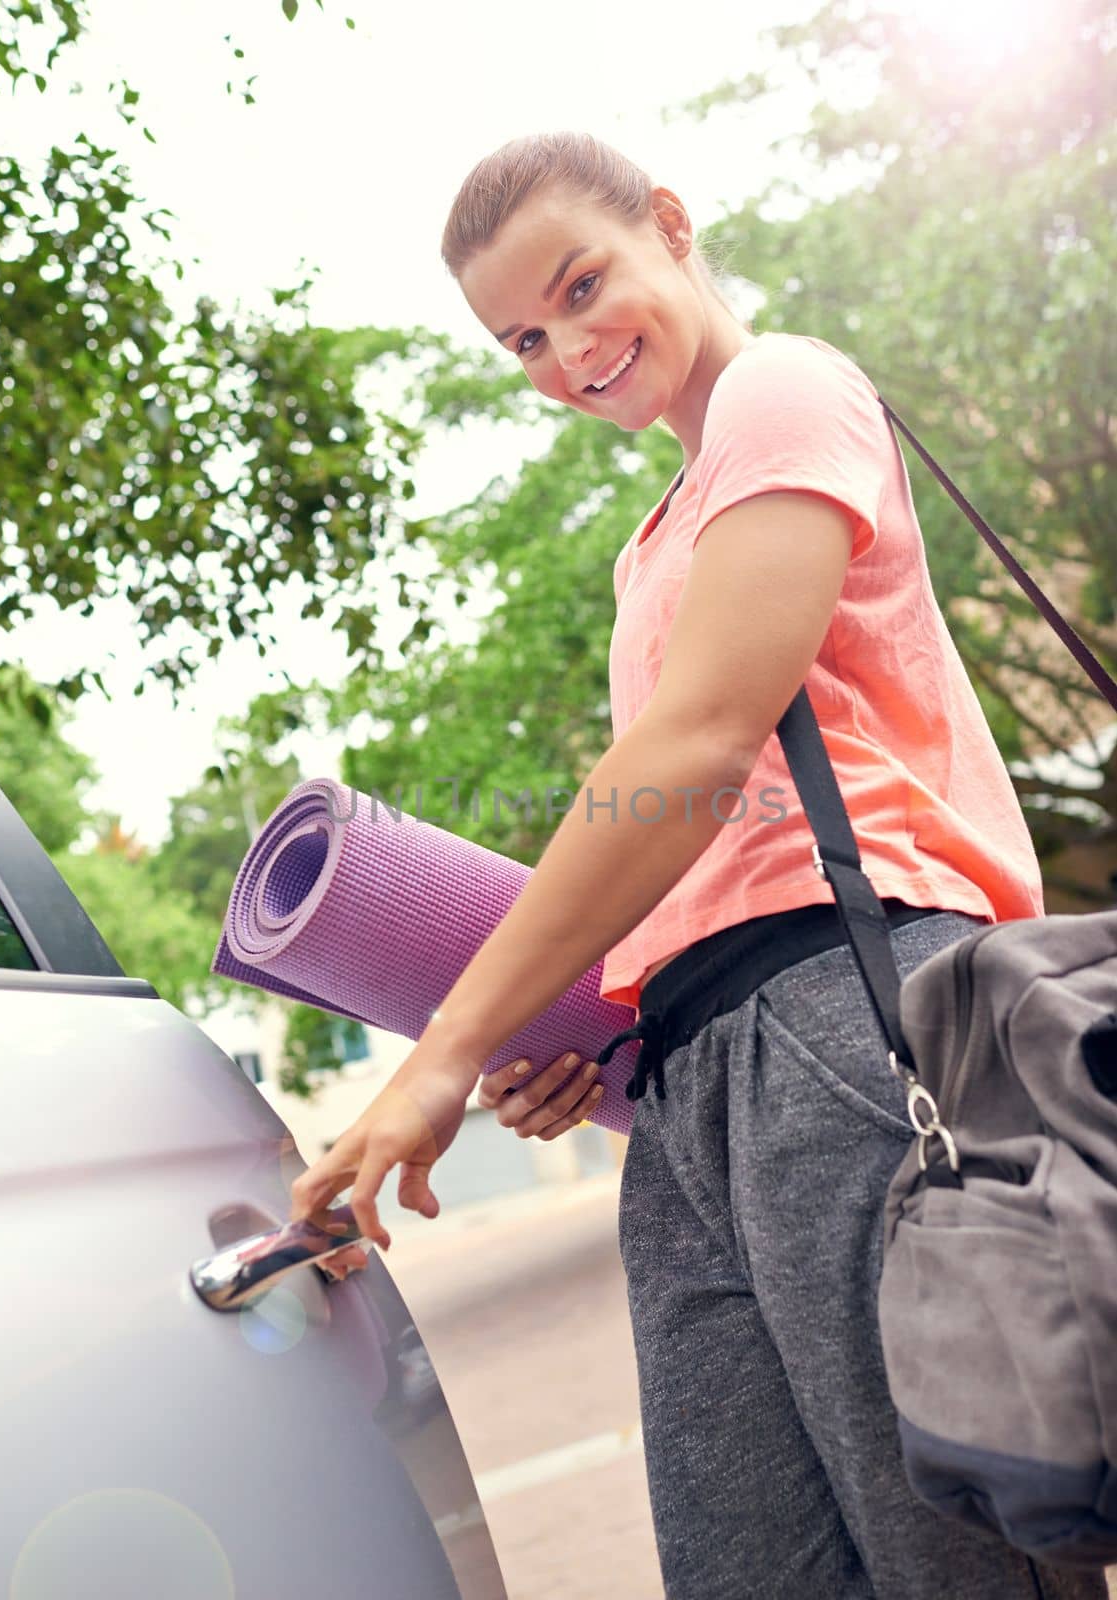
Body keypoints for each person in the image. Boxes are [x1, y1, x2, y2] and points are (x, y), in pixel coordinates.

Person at [291, 132, 1106, 1599]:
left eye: (581, 285)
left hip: (854, 1035)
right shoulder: (650, 540)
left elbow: (701, 749)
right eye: (520, 339)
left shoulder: (786, 390)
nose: (564, 353)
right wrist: (586, 1035)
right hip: (694, 1086)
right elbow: (689, 850)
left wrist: (440, 1050)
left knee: (949, 1560)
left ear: (669, 224)